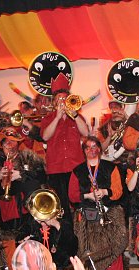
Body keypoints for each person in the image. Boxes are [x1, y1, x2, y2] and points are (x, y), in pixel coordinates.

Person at [0, 125, 46, 268]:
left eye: (13, 141)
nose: (10, 145)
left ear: (18, 143)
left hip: (26, 214)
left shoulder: (28, 157)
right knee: (9, 257)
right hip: (2, 216)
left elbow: (42, 175)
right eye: (6, 142)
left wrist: (21, 174)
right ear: (1, 145)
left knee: (30, 255)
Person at [69, 137, 128, 270]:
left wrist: (105, 192)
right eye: (88, 147)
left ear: (100, 149)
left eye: (94, 146)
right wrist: (87, 196)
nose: (91, 150)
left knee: (115, 244)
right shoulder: (77, 170)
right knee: (88, 249)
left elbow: (118, 191)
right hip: (87, 212)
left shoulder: (111, 167)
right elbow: (72, 196)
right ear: (84, 151)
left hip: (109, 212)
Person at [41, 73, 90, 222]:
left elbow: (86, 133)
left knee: (79, 202)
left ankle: (82, 230)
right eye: (59, 99)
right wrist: (57, 117)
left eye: (65, 98)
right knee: (62, 206)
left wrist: (74, 115)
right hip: (56, 168)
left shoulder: (76, 117)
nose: (62, 102)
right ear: (54, 102)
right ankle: (65, 232)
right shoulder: (48, 119)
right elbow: (45, 136)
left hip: (76, 167)